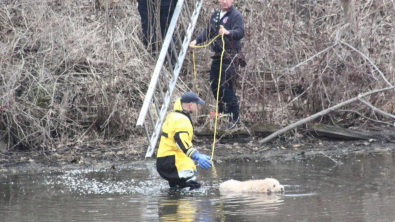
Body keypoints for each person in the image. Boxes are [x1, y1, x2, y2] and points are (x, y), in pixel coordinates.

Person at [189, 0, 244, 129]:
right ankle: (222, 113)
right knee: (215, 85)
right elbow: (208, 31)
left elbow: (240, 32)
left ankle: (235, 119)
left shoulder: (236, 15)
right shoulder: (216, 15)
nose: (224, 2)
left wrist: (228, 32)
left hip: (230, 56)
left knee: (226, 86)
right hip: (218, 55)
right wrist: (196, 40)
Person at [156, 92, 212, 190]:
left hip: (164, 160)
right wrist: (197, 156)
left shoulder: (173, 115)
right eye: (197, 104)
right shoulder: (182, 120)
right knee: (193, 188)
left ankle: (171, 204)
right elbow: (182, 142)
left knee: (177, 189)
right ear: (191, 104)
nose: (198, 107)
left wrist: (191, 164)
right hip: (172, 162)